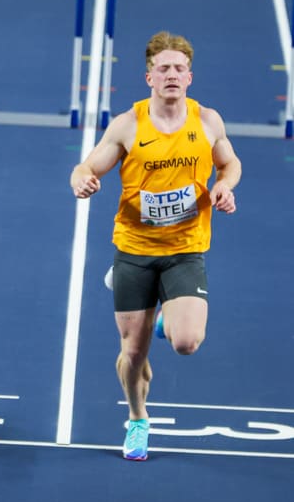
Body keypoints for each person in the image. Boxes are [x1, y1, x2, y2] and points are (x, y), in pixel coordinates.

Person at [70, 32, 241, 461]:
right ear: (149, 77)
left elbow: (230, 161)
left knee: (186, 341)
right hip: (135, 250)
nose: (171, 75)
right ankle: (138, 419)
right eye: (163, 68)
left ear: (189, 77)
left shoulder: (207, 121)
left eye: (178, 69)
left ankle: (168, 314)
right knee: (132, 352)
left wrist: (225, 186)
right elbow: (89, 164)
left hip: (185, 247)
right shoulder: (129, 125)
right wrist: (81, 178)